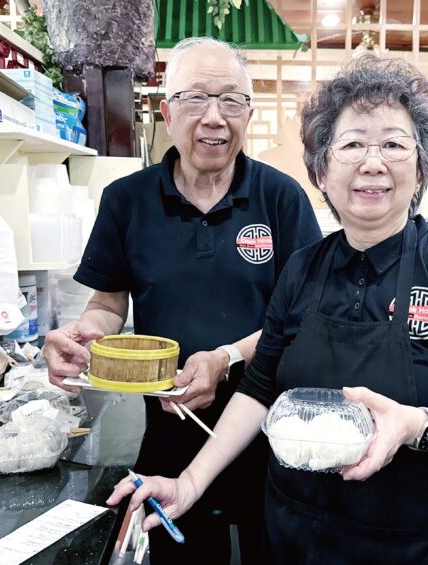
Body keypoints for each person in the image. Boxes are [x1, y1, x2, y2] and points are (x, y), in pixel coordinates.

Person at [107, 55, 428, 563]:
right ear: (322, 168)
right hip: (294, 538)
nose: (372, 163)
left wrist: (415, 424)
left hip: (413, 546)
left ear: (422, 165)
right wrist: (190, 483)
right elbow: (260, 387)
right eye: (352, 144)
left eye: (394, 145)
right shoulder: (303, 269)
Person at [44, 37, 322, 563]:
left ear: (249, 114)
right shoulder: (126, 200)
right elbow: (107, 303)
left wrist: (225, 358)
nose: (214, 117)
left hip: (275, 437)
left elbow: (303, 318)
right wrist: (88, 335)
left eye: (231, 100)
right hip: (170, 437)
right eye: (196, 99)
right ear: (167, 112)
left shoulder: (282, 198)